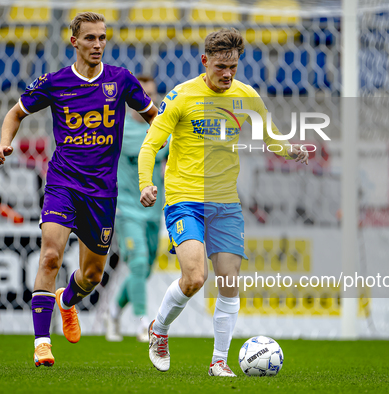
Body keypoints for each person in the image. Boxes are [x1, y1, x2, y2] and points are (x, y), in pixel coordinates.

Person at [0, 12, 157, 367]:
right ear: (74, 42)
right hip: (63, 182)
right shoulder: (55, 82)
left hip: (102, 193)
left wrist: (165, 147)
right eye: (90, 38)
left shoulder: (121, 80)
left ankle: (67, 301)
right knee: (50, 256)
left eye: (102, 38)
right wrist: (4, 144)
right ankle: (41, 343)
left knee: (93, 275)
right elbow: (15, 113)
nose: (97, 45)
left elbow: (156, 117)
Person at [138, 28, 309, 376]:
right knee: (195, 278)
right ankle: (159, 329)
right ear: (205, 61)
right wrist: (146, 183)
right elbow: (149, 145)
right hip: (185, 199)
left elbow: (270, 136)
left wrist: (291, 150)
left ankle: (219, 361)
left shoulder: (247, 96)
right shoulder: (182, 97)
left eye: (233, 65)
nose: (227, 73)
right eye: (220, 66)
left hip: (226, 203)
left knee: (229, 280)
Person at [106, 75, 168, 343]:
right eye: (141, 94)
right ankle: (144, 324)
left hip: (155, 211)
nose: (146, 100)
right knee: (139, 262)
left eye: (151, 94)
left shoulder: (161, 129)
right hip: (127, 209)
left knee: (144, 269)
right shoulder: (118, 131)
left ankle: (113, 312)